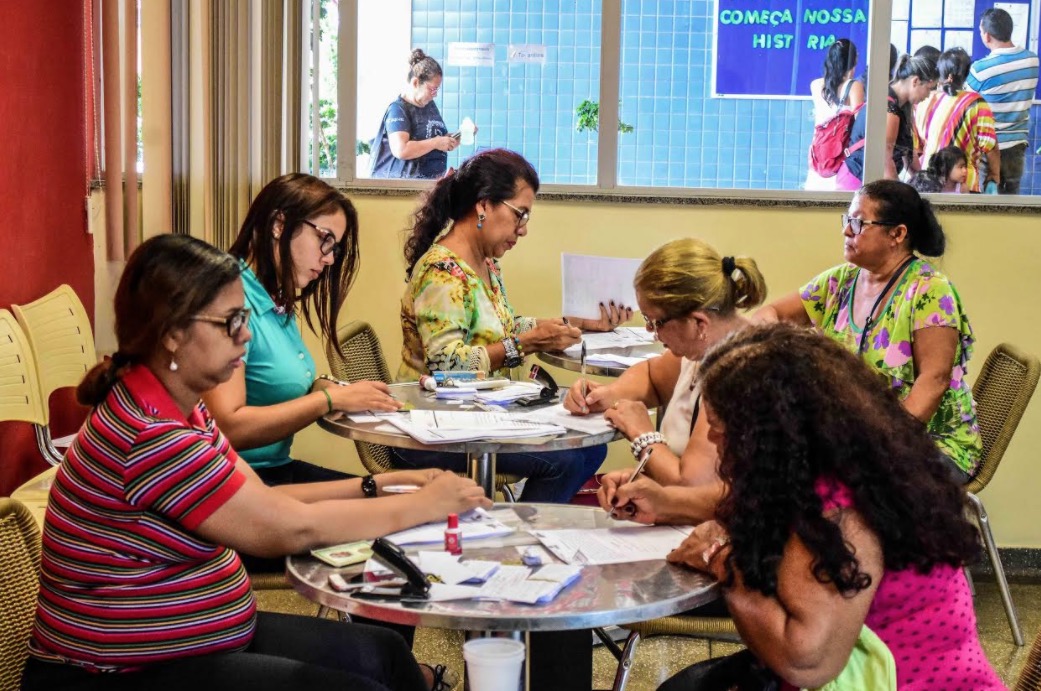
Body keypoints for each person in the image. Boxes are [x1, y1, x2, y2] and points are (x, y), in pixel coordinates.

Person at [20, 234, 489, 691]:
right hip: (114, 673)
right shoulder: (150, 435)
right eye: (230, 322)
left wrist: (379, 485)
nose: (245, 335)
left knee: (383, 652)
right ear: (172, 334)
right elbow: (289, 528)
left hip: (194, 645)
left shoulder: (181, 405)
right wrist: (424, 505)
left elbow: (262, 499)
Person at [658, 324, 1004, 691]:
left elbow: (805, 662)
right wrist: (672, 506)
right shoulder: (858, 466)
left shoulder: (838, 513)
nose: (712, 438)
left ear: (765, 435)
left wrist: (719, 557)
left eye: (719, 427)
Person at [396, 148, 617, 502]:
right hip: (433, 428)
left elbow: (505, 325)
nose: (523, 229)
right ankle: (522, 529)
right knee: (570, 458)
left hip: (477, 417)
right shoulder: (443, 271)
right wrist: (527, 344)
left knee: (589, 445)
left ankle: (521, 525)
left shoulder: (484, 263)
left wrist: (574, 323)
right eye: (520, 214)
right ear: (484, 205)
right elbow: (446, 365)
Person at [758, 179, 982, 482]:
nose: (846, 231)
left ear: (897, 234)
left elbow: (934, 381)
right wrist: (774, 346)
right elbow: (770, 314)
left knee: (820, 480)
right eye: (847, 220)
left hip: (929, 446)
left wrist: (873, 446)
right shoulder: (842, 281)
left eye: (859, 223)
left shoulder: (930, 291)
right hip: (855, 437)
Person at [201, 174, 399, 487]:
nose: (329, 258)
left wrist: (324, 386)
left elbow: (271, 382)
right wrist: (328, 401)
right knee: (395, 498)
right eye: (325, 239)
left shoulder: (273, 296)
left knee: (403, 492)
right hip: (235, 481)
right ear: (279, 225)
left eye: (334, 247)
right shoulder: (231, 298)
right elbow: (228, 426)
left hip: (271, 472)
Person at [561, 238, 768, 525]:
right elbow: (651, 375)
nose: (651, 332)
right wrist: (608, 394)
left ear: (699, 323)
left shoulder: (740, 373)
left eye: (656, 322)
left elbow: (690, 487)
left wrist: (642, 434)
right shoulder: (703, 347)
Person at [967, 7, 1039, 195]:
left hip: (989, 148)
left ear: (987, 36)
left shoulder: (980, 70)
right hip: (1017, 146)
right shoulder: (1033, 61)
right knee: (1011, 201)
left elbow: (967, 104)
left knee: (986, 202)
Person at [839, 55, 938, 190]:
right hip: (856, 181)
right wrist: (901, 194)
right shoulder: (889, 110)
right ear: (915, 81)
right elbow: (885, 162)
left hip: (861, 180)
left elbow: (908, 153)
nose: (928, 95)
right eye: (929, 88)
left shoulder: (894, 103)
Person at [916, 47, 999, 193]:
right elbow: (990, 146)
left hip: (928, 183)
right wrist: (994, 176)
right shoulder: (977, 103)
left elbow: (917, 148)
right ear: (967, 73)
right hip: (964, 184)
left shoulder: (924, 100)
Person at [369, 49, 461, 180]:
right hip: (404, 186)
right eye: (432, 89)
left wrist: (451, 140)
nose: (435, 94)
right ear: (415, 83)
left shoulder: (430, 106)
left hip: (427, 184)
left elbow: (434, 139)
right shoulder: (397, 109)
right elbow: (401, 149)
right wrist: (436, 142)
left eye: (437, 89)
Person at [806, 39, 865, 191]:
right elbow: (860, 124)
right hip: (840, 158)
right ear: (853, 61)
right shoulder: (854, 86)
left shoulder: (815, 85)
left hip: (819, 156)